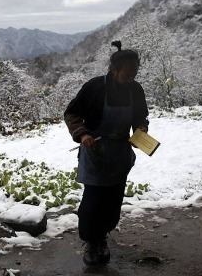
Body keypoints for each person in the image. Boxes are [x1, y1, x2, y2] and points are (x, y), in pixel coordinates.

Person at [64, 40, 149, 267]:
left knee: (113, 200)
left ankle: (103, 238)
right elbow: (71, 113)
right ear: (114, 70)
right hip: (95, 152)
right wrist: (83, 135)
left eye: (134, 73)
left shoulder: (136, 90)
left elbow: (141, 116)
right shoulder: (95, 87)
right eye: (127, 74)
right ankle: (92, 242)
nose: (131, 78)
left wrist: (141, 131)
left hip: (120, 154)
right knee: (93, 201)